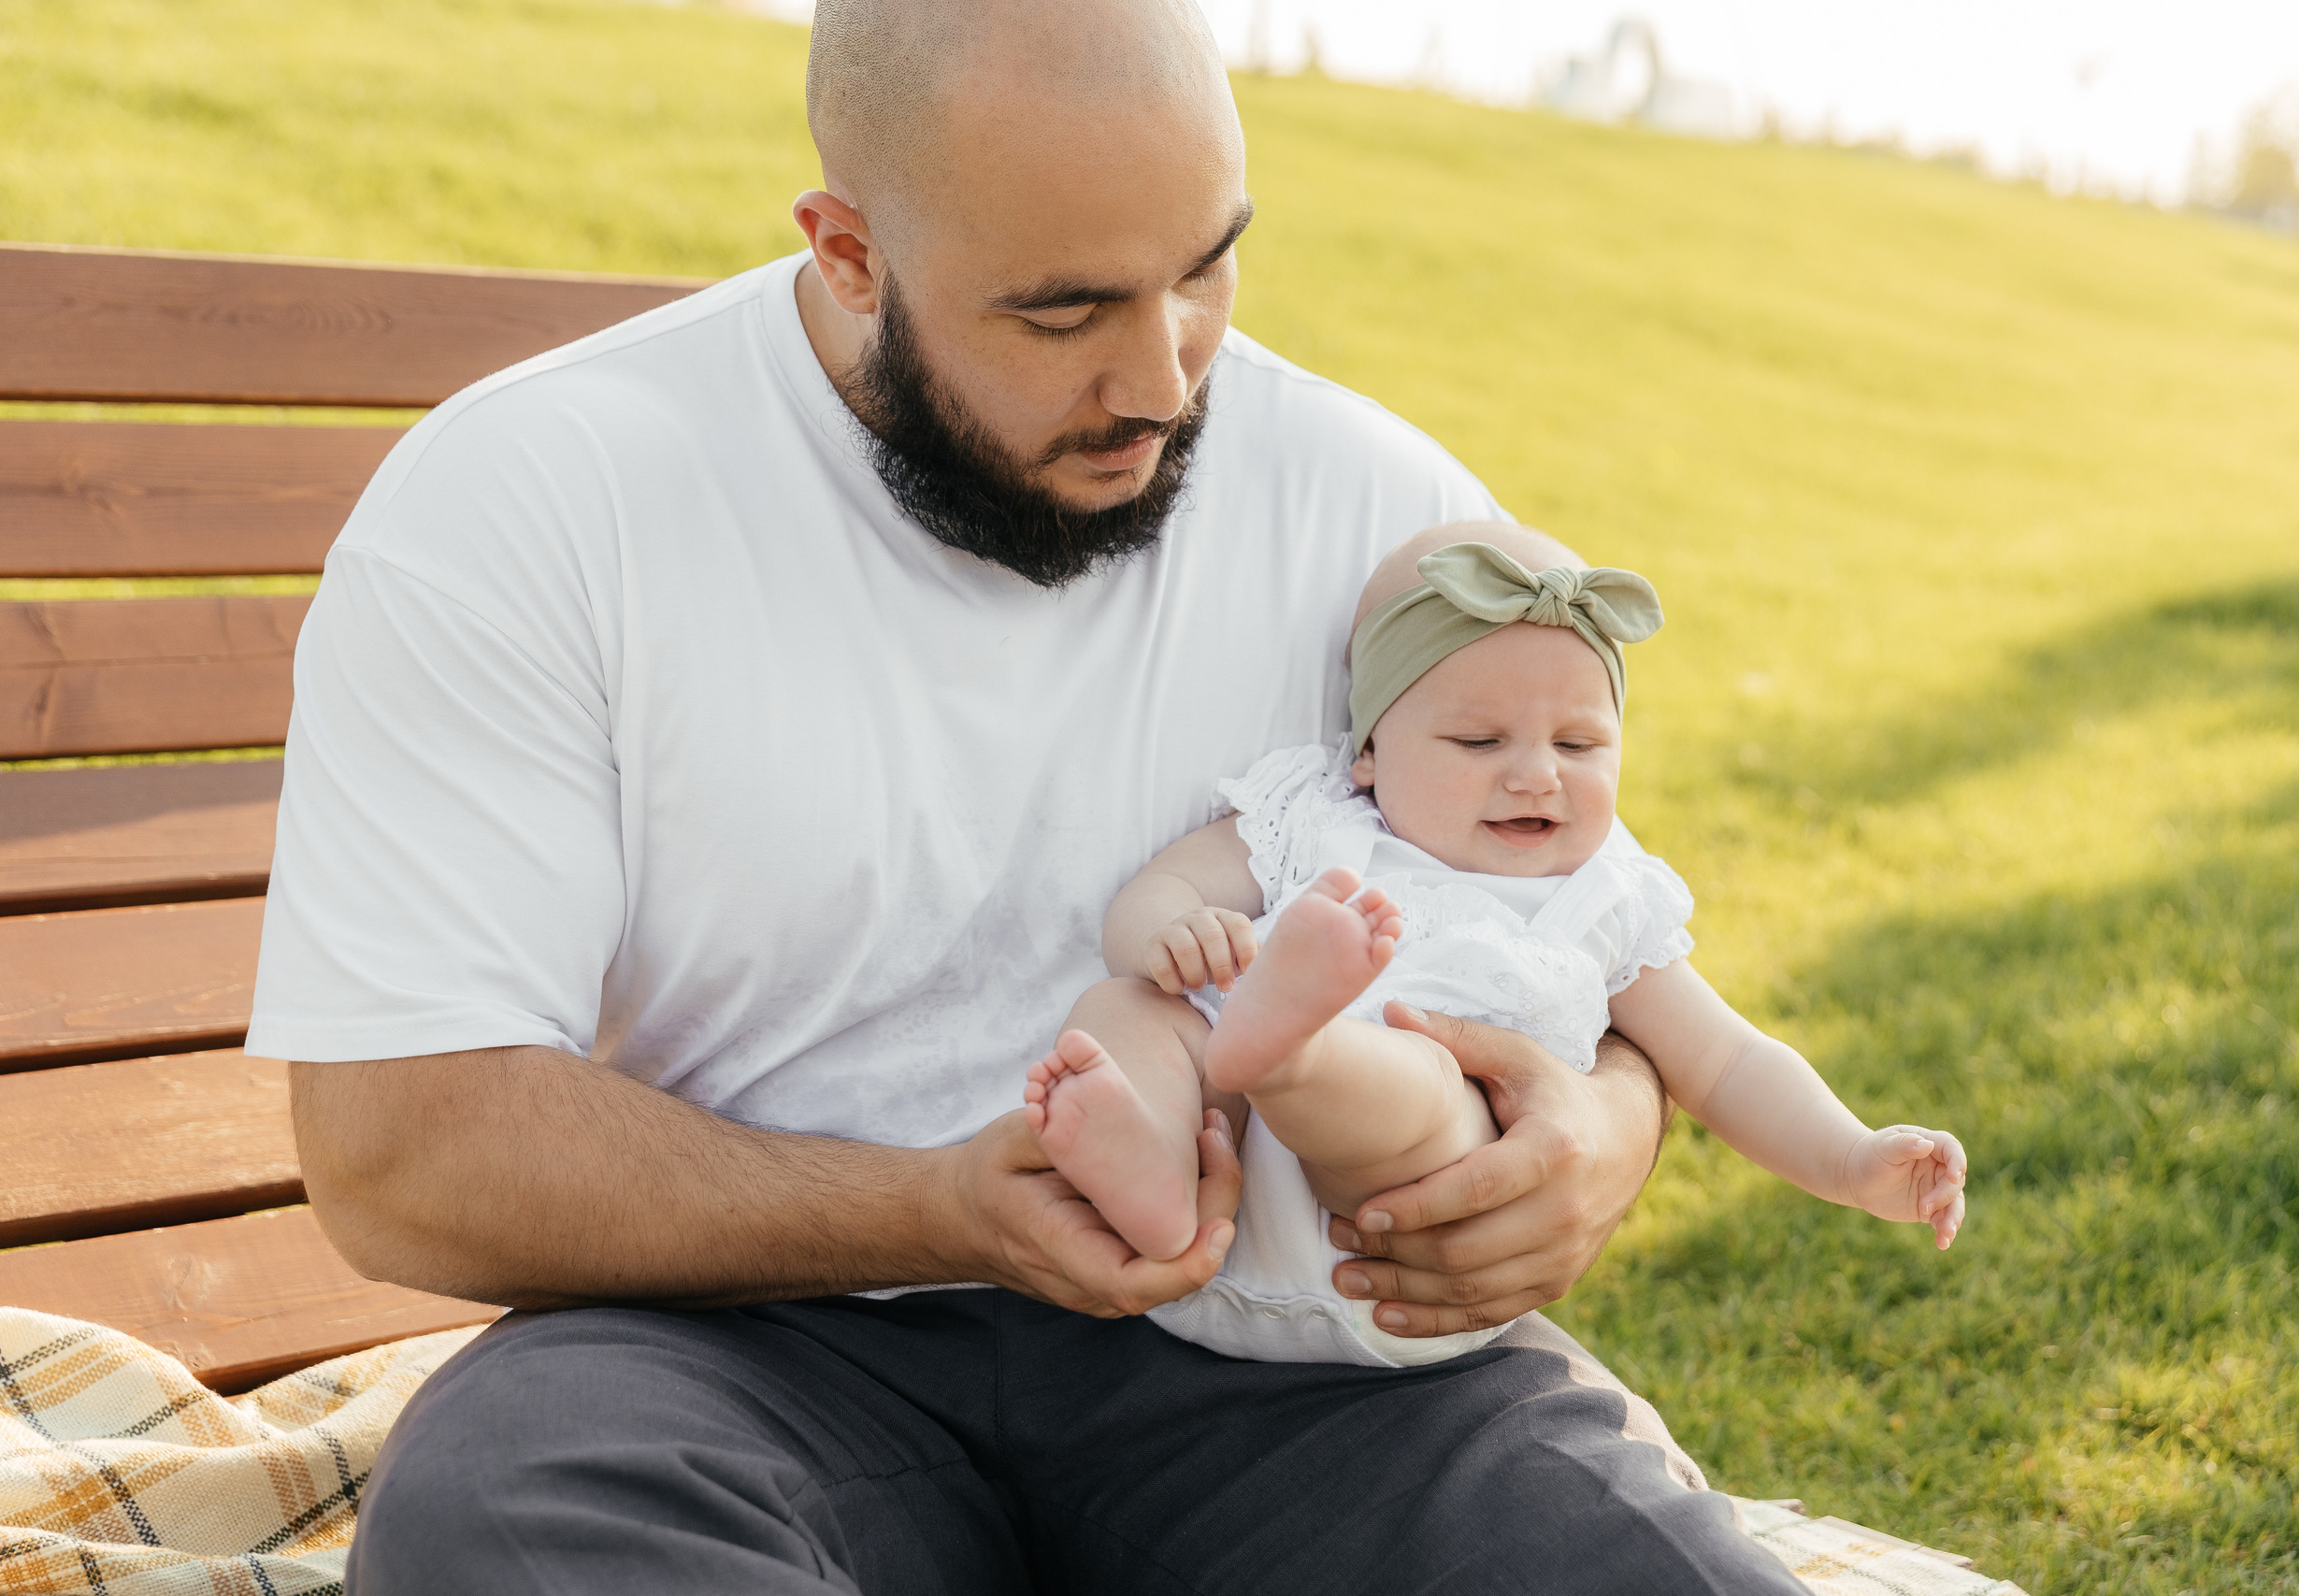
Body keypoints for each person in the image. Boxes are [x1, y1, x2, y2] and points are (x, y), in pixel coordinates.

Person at [253, 0, 1817, 1589]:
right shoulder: (539, 495)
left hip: (1284, 1372)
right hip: (742, 1354)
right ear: (850, 254)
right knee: (506, 1514)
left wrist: (1606, 1130)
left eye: (1203, 268)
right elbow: (405, 1149)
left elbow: (1586, 930)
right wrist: (938, 1208)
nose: (1160, 379)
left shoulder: (1388, 523)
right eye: (1064, 311)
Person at [1025, 526, 1968, 1369]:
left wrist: (1851, 1157)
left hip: (1397, 1257)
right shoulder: (1315, 817)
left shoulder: (1604, 896)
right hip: (1205, 1246)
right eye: (1477, 741)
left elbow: (1725, 1061)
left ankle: (1297, 1049)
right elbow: (1160, 892)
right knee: (1129, 1011)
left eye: (1580, 744)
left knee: (1428, 1088)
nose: (1533, 775)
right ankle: (1148, 1179)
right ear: (1369, 753)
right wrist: (1171, 934)